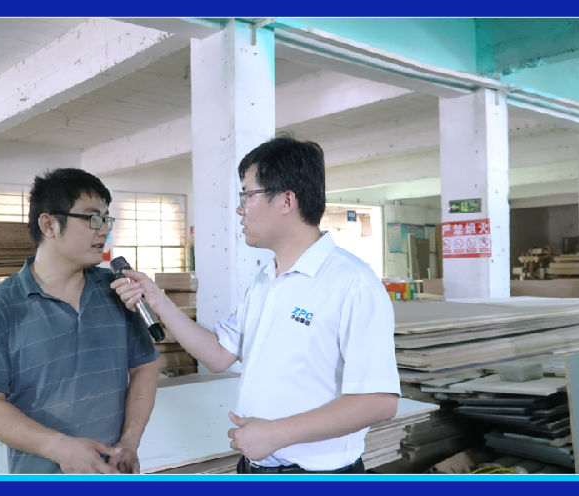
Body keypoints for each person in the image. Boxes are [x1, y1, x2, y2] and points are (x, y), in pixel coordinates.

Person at [112, 136, 400, 474]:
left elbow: (379, 401)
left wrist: (276, 434)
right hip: (255, 467)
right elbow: (219, 353)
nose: (240, 208)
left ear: (287, 200)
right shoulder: (267, 280)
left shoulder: (351, 283)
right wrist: (157, 300)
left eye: (248, 195)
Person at [0, 168, 160, 474]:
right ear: (49, 224)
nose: (103, 231)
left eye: (106, 220)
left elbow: (145, 365)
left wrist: (130, 441)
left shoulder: (116, 292)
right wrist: (59, 448)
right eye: (92, 218)